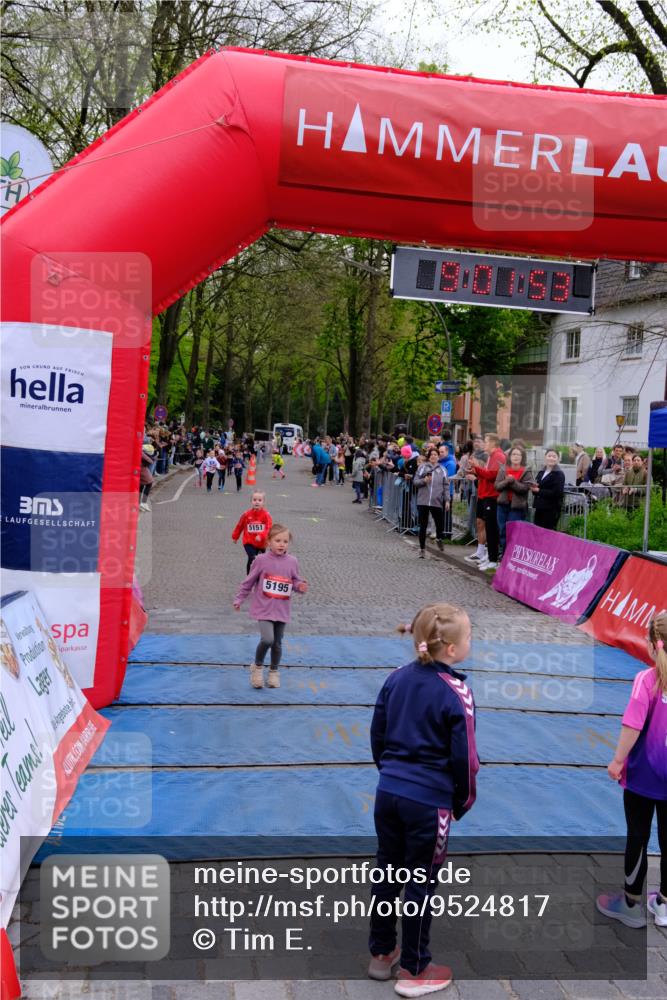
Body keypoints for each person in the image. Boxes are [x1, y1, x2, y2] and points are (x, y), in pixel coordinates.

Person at [368, 603, 478, 995]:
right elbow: (466, 758)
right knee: (419, 882)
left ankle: (381, 952)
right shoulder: (457, 692)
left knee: (387, 871)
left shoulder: (395, 678)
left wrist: (391, 776)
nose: (471, 643)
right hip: (428, 803)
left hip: (390, 794)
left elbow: (377, 735)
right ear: (450, 648)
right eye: (468, 638)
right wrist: (462, 802)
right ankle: (415, 969)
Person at [596, 614, 667, 930]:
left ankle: (630, 903)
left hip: (642, 777)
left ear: (653, 645)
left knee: (637, 836)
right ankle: (664, 905)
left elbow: (632, 726)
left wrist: (617, 760)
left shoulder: (646, 681)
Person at [233, 524, 308, 689]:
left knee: (277, 643)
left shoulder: (292, 561)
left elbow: (294, 580)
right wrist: (239, 599)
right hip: (264, 608)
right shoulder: (260, 560)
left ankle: (274, 672)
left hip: (282, 608)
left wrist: (300, 586)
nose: (282, 544)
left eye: (285, 541)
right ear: (268, 542)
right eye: (278, 540)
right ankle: (257, 667)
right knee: (268, 639)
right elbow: (249, 581)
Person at [468, 432, 506, 571]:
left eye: (486, 441)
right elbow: (487, 474)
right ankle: (489, 557)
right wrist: (476, 470)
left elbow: (492, 475)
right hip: (486, 494)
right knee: (488, 526)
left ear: (493, 443)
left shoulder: (498, 456)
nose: (484, 443)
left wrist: (477, 469)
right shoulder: (491, 456)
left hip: (492, 496)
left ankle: (493, 559)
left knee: (492, 528)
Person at [494, 446, 535, 557]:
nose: (516, 457)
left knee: (513, 532)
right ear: (510, 456)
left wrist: (513, 482)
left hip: (517, 508)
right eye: (514, 454)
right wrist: (508, 481)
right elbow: (497, 486)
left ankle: (511, 556)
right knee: (502, 531)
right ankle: (504, 555)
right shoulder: (503, 469)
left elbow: (525, 488)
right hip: (503, 505)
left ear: (522, 457)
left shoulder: (526, 470)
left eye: (519, 455)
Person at [413, 446, 449, 557]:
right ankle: (422, 549)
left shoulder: (442, 469)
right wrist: (424, 481)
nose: (433, 456)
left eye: (435, 455)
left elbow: (446, 486)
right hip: (423, 501)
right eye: (431, 455)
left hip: (436, 501)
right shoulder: (423, 467)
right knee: (423, 526)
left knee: (440, 524)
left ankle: (439, 538)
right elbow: (415, 481)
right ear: (429, 457)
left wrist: (447, 500)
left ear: (438, 457)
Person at [231, 490, 273, 574]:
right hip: (249, 542)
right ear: (251, 501)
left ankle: (258, 575)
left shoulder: (266, 515)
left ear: (263, 502)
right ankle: (249, 577)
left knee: (260, 560)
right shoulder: (246, 514)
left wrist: (261, 536)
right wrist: (235, 536)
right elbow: (240, 525)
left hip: (261, 543)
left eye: (259, 500)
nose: (257, 502)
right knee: (252, 557)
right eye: (254, 500)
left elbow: (269, 528)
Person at [531, 449, 565, 531]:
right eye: (549, 456)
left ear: (558, 459)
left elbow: (557, 493)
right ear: (545, 457)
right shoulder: (541, 472)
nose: (551, 458)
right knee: (537, 532)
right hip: (539, 507)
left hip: (551, 510)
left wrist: (539, 491)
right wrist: (533, 487)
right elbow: (536, 488)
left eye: (554, 456)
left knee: (547, 534)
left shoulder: (559, 474)